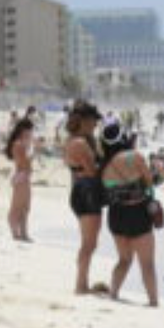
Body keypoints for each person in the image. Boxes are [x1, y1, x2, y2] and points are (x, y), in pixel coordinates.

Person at [100, 122, 159, 307]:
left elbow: (107, 192)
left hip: (116, 215)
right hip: (138, 213)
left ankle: (114, 293)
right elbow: (149, 185)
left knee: (124, 259)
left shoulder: (104, 167)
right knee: (147, 263)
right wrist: (151, 201)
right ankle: (153, 301)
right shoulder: (135, 157)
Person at [64, 102, 105, 294]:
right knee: (89, 243)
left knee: (87, 242)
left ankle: (82, 281)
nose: (96, 124)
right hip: (87, 191)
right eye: (94, 120)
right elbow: (93, 170)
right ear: (84, 121)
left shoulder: (76, 140)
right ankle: (80, 284)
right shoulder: (80, 143)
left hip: (79, 190)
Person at [4, 117, 35, 242]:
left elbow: (26, 162)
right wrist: (31, 151)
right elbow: (24, 162)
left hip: (23, 176)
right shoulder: (18, 144)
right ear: (23, 130)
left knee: (25, 207)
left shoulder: (22, 144)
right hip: (21, 176)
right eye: (30, 131)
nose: (31, 133)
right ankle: (16, 233)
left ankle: (23, 233)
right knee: (17, 206)